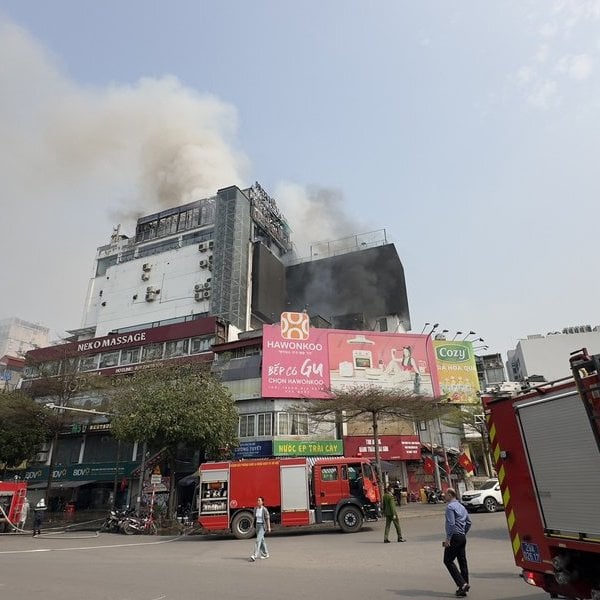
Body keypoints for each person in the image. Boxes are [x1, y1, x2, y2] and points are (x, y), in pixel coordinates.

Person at [443, 488, 471, 597]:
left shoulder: (450, 507)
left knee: (448, 560)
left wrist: (448, 539)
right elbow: (469, 522)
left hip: (454, 537)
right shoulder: (462, 507)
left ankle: (462, 584)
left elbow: (451, 523)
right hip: (462, 537)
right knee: (462, 561)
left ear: (450, 495)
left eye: (445, 494)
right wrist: (463, 532)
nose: (444, 496)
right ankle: (464, 585)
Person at [249, 496, 271, 561]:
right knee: (262, 541)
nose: (258, 502)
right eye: (257, 500)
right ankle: (266, 554)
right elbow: (253, 518)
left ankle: (254, 555)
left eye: (259, 500)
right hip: (257, 526)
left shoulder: (264, 509)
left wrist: (269, 527)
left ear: (262, 502)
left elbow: (267, 518)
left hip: (262, 526)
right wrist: (252, 525)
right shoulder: (255, 509)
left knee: (258, 540)